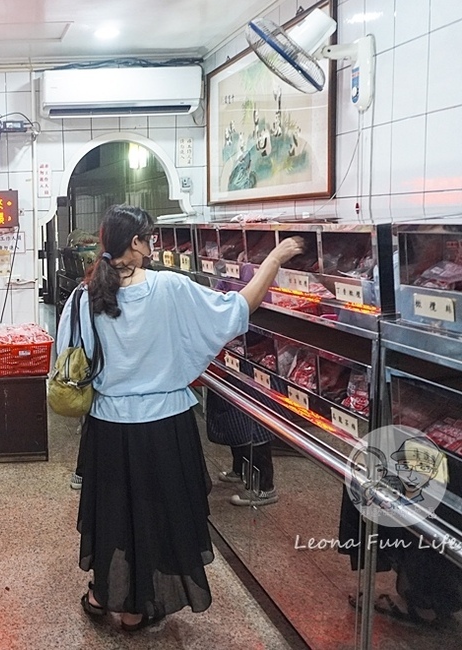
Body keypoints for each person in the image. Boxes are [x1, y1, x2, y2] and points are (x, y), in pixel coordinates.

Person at [56, 204, 303, 631]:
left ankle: (104, 593)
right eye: (148, 238)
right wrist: (274, 260)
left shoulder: (84, 294)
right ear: (135, 243)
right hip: (165, 427)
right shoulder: (170, 288)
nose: (151, 246)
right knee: (159, 513)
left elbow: (68, 357)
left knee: (114, 513)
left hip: (109, 429)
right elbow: (238, 310)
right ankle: (139, 606)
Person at [205, 388, 278, 506]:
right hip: (234, 375)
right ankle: (241, 471)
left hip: (251, 380)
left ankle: (264, 489)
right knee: (235, 422)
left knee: (254, 428)